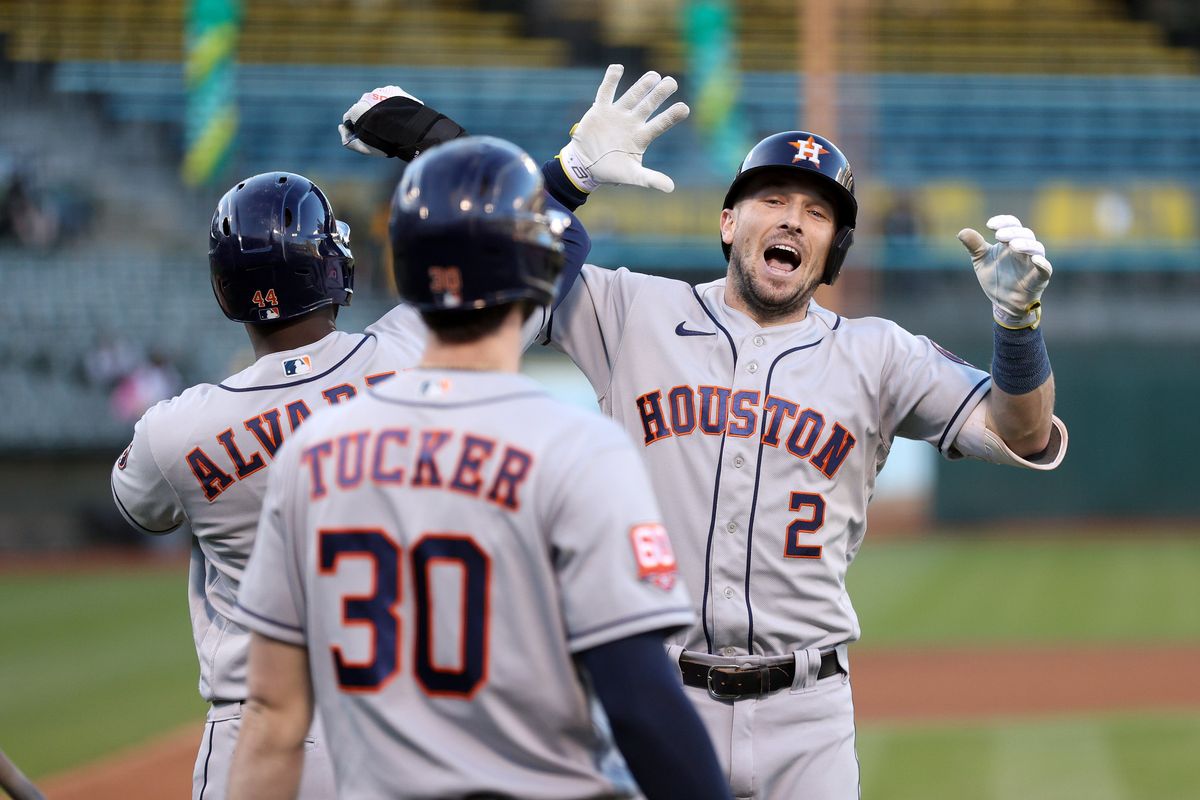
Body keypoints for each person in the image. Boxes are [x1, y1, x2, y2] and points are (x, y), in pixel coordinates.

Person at [344, 65, 1068, 798]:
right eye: (772, 199)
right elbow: (503, 253)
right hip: (655, 698)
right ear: (729, 223)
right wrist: (513, 160)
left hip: (808, 714)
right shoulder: (628, 310)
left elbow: (1023, 431)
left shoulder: (879, 353)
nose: (792, 219)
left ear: (833, 252)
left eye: (817, 214)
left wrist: (1019, 328)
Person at [110, 71, 687, 799]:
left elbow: (137, 504)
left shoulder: (173, 431)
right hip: (398, 726)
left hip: (254, 733)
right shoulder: (412, 351)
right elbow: (527, 256)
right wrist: (567, 176)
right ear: (334, 262)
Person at [225, 136, 731, 800]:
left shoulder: (313, 454)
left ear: (402, 269)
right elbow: (640, 703)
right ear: (542, 268)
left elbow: (273, 716)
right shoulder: (577, 449)